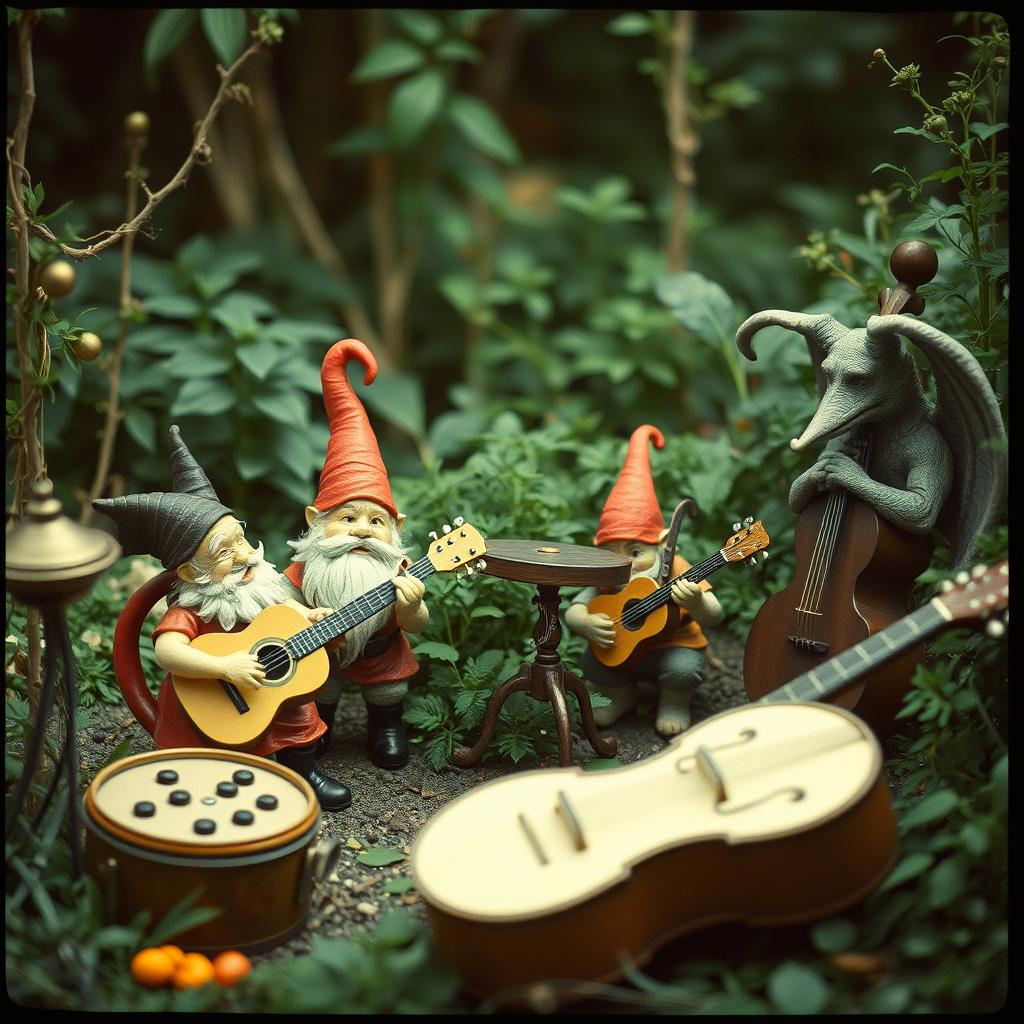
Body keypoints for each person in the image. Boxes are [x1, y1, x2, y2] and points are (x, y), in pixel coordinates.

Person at [94, 425, 353, 810]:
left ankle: (302, 771)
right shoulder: (191, 610)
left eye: (241, 539)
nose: (246, 556)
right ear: (189, 572)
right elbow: (168, 652)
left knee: (297, 708)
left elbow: (284, 614)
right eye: (224, 553)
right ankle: (230, 776)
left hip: (267, 691)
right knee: (217, 747)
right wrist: (224, 666)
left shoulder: (261, 587)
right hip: (212, 699)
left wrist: (311, 617)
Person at [281, 340, 428, 769]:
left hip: (381, 654)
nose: (362, 529)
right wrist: (302, 615)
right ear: (315, 520)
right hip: (321, 653)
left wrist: (412, 606)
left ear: (396, 527)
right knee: (319, 686)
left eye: (376, 521)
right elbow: (281, 606)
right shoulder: (308, 569)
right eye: (347, 518)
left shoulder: (397, 569)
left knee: (387, 690)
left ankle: (385, 726)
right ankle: (317, 726)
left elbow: (417, 624)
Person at [564, 425, 723, 737]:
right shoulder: (607, 573)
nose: (625, 562)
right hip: (621, 651)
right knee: (592, 661)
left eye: (635, 552)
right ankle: (620, 695)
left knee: (683, 670)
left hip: (672, 649)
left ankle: (674, 701)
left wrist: (697, 602)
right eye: (611, 552)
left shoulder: (676, 567)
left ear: (661, 543)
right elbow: (575, 608)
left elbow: (714, 615)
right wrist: (583, 622)